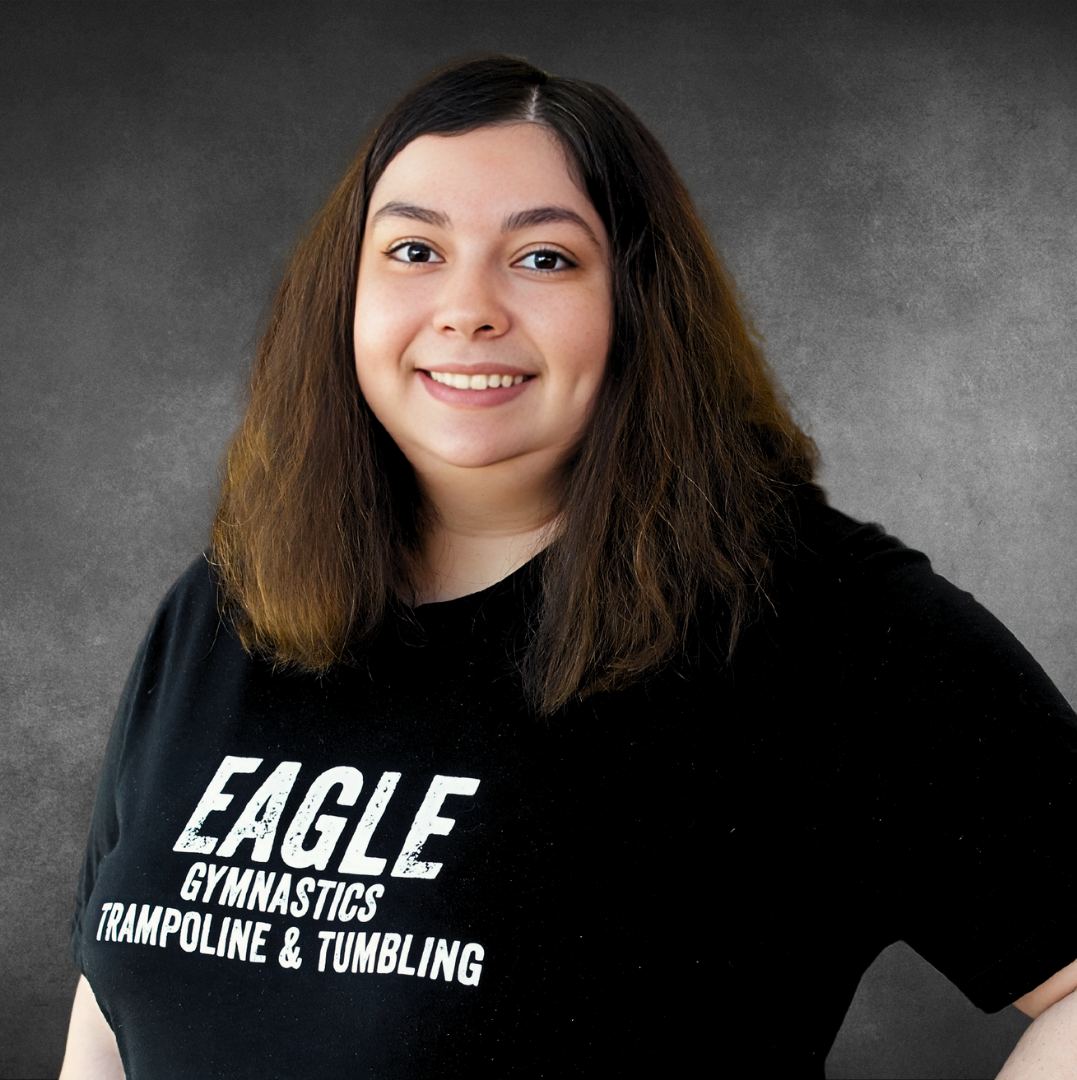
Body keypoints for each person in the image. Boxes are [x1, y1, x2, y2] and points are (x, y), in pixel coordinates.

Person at [61, 55, 1077, 1078]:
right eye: (414, 249)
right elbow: (109, 1009)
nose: (468, 309)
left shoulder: (818, 621)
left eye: (543, 259)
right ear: (347, 295)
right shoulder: (228, 606)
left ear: (640, 301)